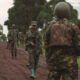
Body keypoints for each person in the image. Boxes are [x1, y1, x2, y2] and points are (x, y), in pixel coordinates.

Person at [44, 2, 80, 80]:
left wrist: (50, 56)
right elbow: (78, 45)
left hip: (54, 62)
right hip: (69, 64)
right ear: (68, 12)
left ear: (55, 12)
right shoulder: (73, 27)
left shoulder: (50, 27)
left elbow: (46, 45)